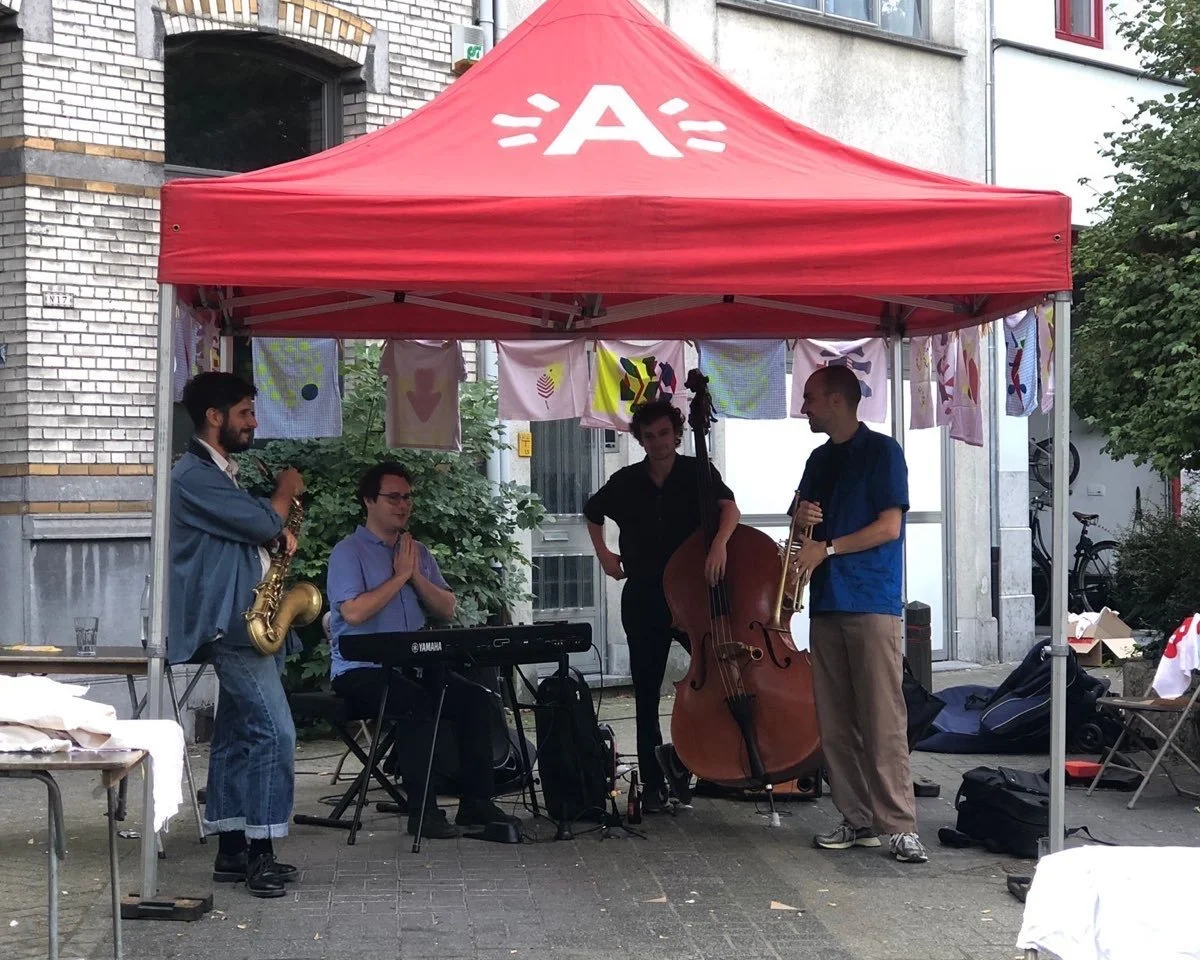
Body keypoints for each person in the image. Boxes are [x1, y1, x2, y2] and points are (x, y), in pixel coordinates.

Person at [327, 462, 518, 839]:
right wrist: (398, 577)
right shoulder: (347, 553)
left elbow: (446, 608)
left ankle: (476, 803)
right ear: (369, 500)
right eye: (393, 497)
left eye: (407, 497)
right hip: (360, 670)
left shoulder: (418, 553)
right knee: (417, 704)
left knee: (477, 701)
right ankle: (423, 813)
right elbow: (353, 611)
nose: (403, 505)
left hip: (415, 667)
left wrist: (414, 574)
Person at [169, 372, 305, 898]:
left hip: (247, 618)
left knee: (233, 735)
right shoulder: (194, 476)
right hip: (233, 625)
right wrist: (285, 494)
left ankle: (229, 847)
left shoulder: (221, 472)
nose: (253, 422)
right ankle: (262, 854)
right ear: (214, 417)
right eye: (245, 413)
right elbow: (261, 524)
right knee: (275, 732)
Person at [790, 364, 928, 864]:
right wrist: (802, 522)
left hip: (871, 599)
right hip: (826, 601)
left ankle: (900, 826)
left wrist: (825, 549)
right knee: (835, 719)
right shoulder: (817, 459)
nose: (802, 406)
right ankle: (857, 819)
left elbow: (889, 527)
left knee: (882, 715)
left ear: (836, 400)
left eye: (809, 397)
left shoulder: (883, 452)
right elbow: (800, 529)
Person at [584, 399, 740, 811]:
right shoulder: (626, 480)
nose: (658, 443)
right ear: (640, 439)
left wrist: (720, 545)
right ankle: (654, 783)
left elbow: (729, 508)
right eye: (649, 436)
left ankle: (715, 764)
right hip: (645, 595)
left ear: (678, 434)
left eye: (664, 434)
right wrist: (604, 554)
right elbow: (592, 511)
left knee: (720, 680)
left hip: (694, 594)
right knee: (646, 694)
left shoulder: (698, 472)